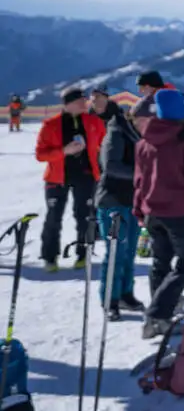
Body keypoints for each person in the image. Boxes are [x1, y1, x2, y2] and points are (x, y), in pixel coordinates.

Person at [132, 89, 184, 338]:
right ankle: (157, 313)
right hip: (181, 212)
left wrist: (138, 208)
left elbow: (139, 181)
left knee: (160, 262)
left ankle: (159, 316)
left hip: (153, 211)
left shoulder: (144, 142)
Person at [35, 87, 106, 271]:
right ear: (69, 103)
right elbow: (40, 155)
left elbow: (105, 143)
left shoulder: (93, 121)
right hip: (57, 178)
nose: (85, 103)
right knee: (54, 218)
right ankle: (50, 258)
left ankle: (83, 255)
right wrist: (63, 152)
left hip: (86, 177)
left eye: (85, 100)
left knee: (85, 217)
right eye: (80, 100)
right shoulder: (51, 125)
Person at [96, 96, 146, 320]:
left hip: (133, 201)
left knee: (129, 251)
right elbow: (111, 166)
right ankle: (110, 300)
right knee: (116, 252)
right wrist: (141, 173)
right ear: (135, 118)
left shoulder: (140, 134)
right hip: (112, 200)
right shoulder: (116, 132)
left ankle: (126, 293)